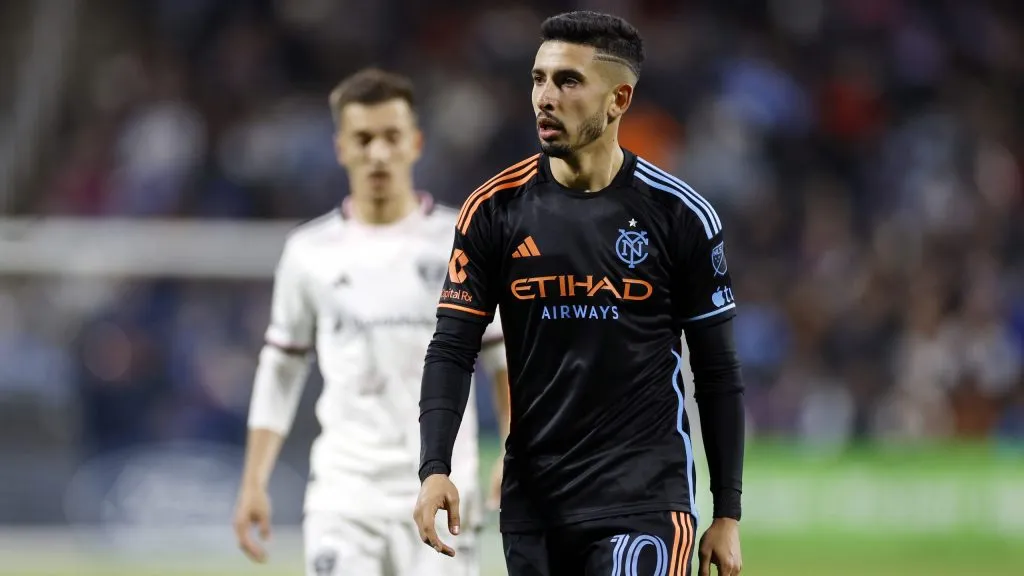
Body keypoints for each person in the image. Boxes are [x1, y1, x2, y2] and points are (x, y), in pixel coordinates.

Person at [414, 11, 744, 576]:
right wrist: (434, 467)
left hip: (644, 497)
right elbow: (451, 347)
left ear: (618, 99)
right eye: (538, 79)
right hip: (535, 504)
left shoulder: (679, 214)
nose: (545, 96)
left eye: (567, 81)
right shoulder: (494, 209)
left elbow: (716, 371)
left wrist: (727, 512)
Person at [232, 68, 510, 576]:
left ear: (416, 143)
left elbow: (502, 358)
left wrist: (514, 447)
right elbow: (280, 370)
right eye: (363, 138)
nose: (378, 152)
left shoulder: (461, 239)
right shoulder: (308, 252)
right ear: (341, 147)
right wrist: (254, 482)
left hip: (442, 489)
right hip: (344, 495)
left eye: (391, 136)